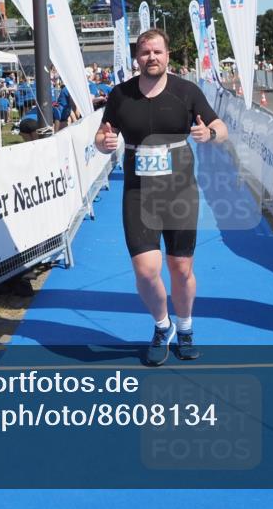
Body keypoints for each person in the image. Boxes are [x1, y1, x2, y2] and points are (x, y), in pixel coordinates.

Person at [94, 29, 229, 366]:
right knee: (146, 270)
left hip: (180, 192)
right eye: (144, 52)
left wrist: (208, 133)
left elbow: (220, 128)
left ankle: (185, 329)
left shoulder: (187, 91)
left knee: (181, 269)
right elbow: (102, 133)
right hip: (139, 193)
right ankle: (161, 325)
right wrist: (103, 143)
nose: (151, 57)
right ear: (136, 57)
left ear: (167, 55)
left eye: (157, 52)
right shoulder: (120, 95)